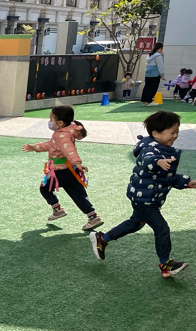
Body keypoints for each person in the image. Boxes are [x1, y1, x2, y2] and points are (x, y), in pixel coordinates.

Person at [89, 111, 195, 277]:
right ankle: (165, 264)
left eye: (177, 131)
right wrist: (157, 161)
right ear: (156, 133)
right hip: (144, 199)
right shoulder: (149, 149)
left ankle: (102, 239)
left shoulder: (166, 150)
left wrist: (186, 182)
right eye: (172, 132)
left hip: (148, 197)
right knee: (162, 228)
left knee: (135, 224)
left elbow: (167, 177)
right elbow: (147, 160)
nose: (175, 135)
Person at [22, 105, 102, 230]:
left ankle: (57, 209)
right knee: (78, 194)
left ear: (59, 123)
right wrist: (34, 147)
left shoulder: (61, 136)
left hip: (60, 171)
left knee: (45, 188)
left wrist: (77, 162)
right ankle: (93, 217)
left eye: (51, 119)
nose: (49, 122)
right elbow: (49, 145)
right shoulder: (65, 133)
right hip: (70, 171)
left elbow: (69, 150)